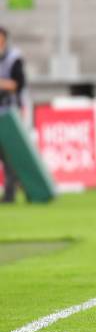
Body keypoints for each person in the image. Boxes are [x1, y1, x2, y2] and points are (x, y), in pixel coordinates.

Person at [0, 26, 26, 203]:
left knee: (10, 154)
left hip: (10, 113)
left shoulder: (13, 58)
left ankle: (12, 191)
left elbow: (19, 84)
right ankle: (18, 183)